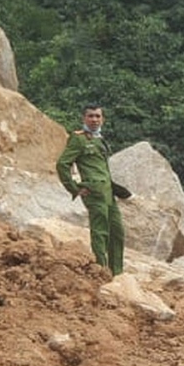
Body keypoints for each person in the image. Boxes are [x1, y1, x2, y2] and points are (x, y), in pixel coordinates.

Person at [55, 105, 126, 275]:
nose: (94, 120)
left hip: (108, 192)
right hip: (93, 192)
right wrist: (74, 188)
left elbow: (103, 167)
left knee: (117, 232)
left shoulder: (99, 139)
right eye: (90, 116)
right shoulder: (78, 139)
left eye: (97, 116)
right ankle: (101, 270)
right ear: (84, 118)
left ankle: (117, 272)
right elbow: (62, 164)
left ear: (103, 119)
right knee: (100, 232)